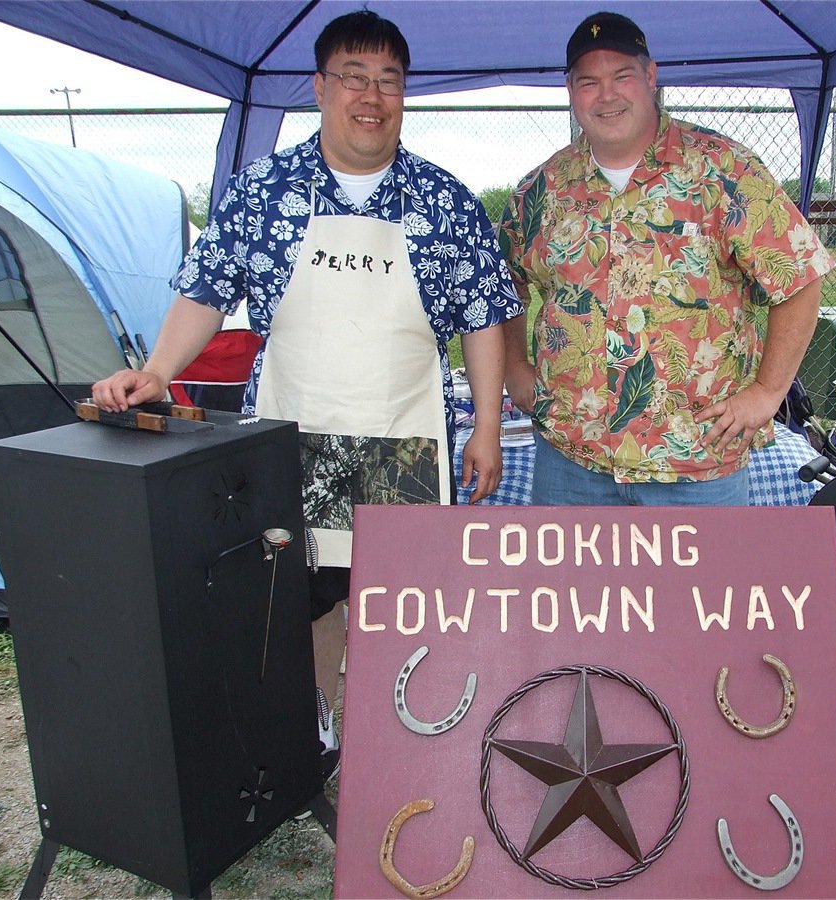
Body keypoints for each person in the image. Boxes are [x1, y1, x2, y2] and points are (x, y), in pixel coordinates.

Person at [92, 10, 522, 778]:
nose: (371, 95)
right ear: (321, 88)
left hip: (405, 441)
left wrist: (486, 426)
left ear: (403, 95)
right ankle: (314, 749)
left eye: (388, 81)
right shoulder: (264, 190)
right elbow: (206, 292)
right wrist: (156, 372)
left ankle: (402, 751)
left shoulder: (444, 199)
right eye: (354, 78)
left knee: (400, 598)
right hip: (295, 436)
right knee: (299, 594)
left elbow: (485, 321)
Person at [500, 11, 833, 506]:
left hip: (695, 463)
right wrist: (514, 364)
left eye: (622, 77)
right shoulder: (542, 190)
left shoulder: (723, 172)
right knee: (577, 588)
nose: (606, 96)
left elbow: (801, 277)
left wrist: (766, 393)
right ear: (570, 90)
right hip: (572, 461)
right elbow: (504, 282)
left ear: (651, 77)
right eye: (589, 82)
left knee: (707, 588)